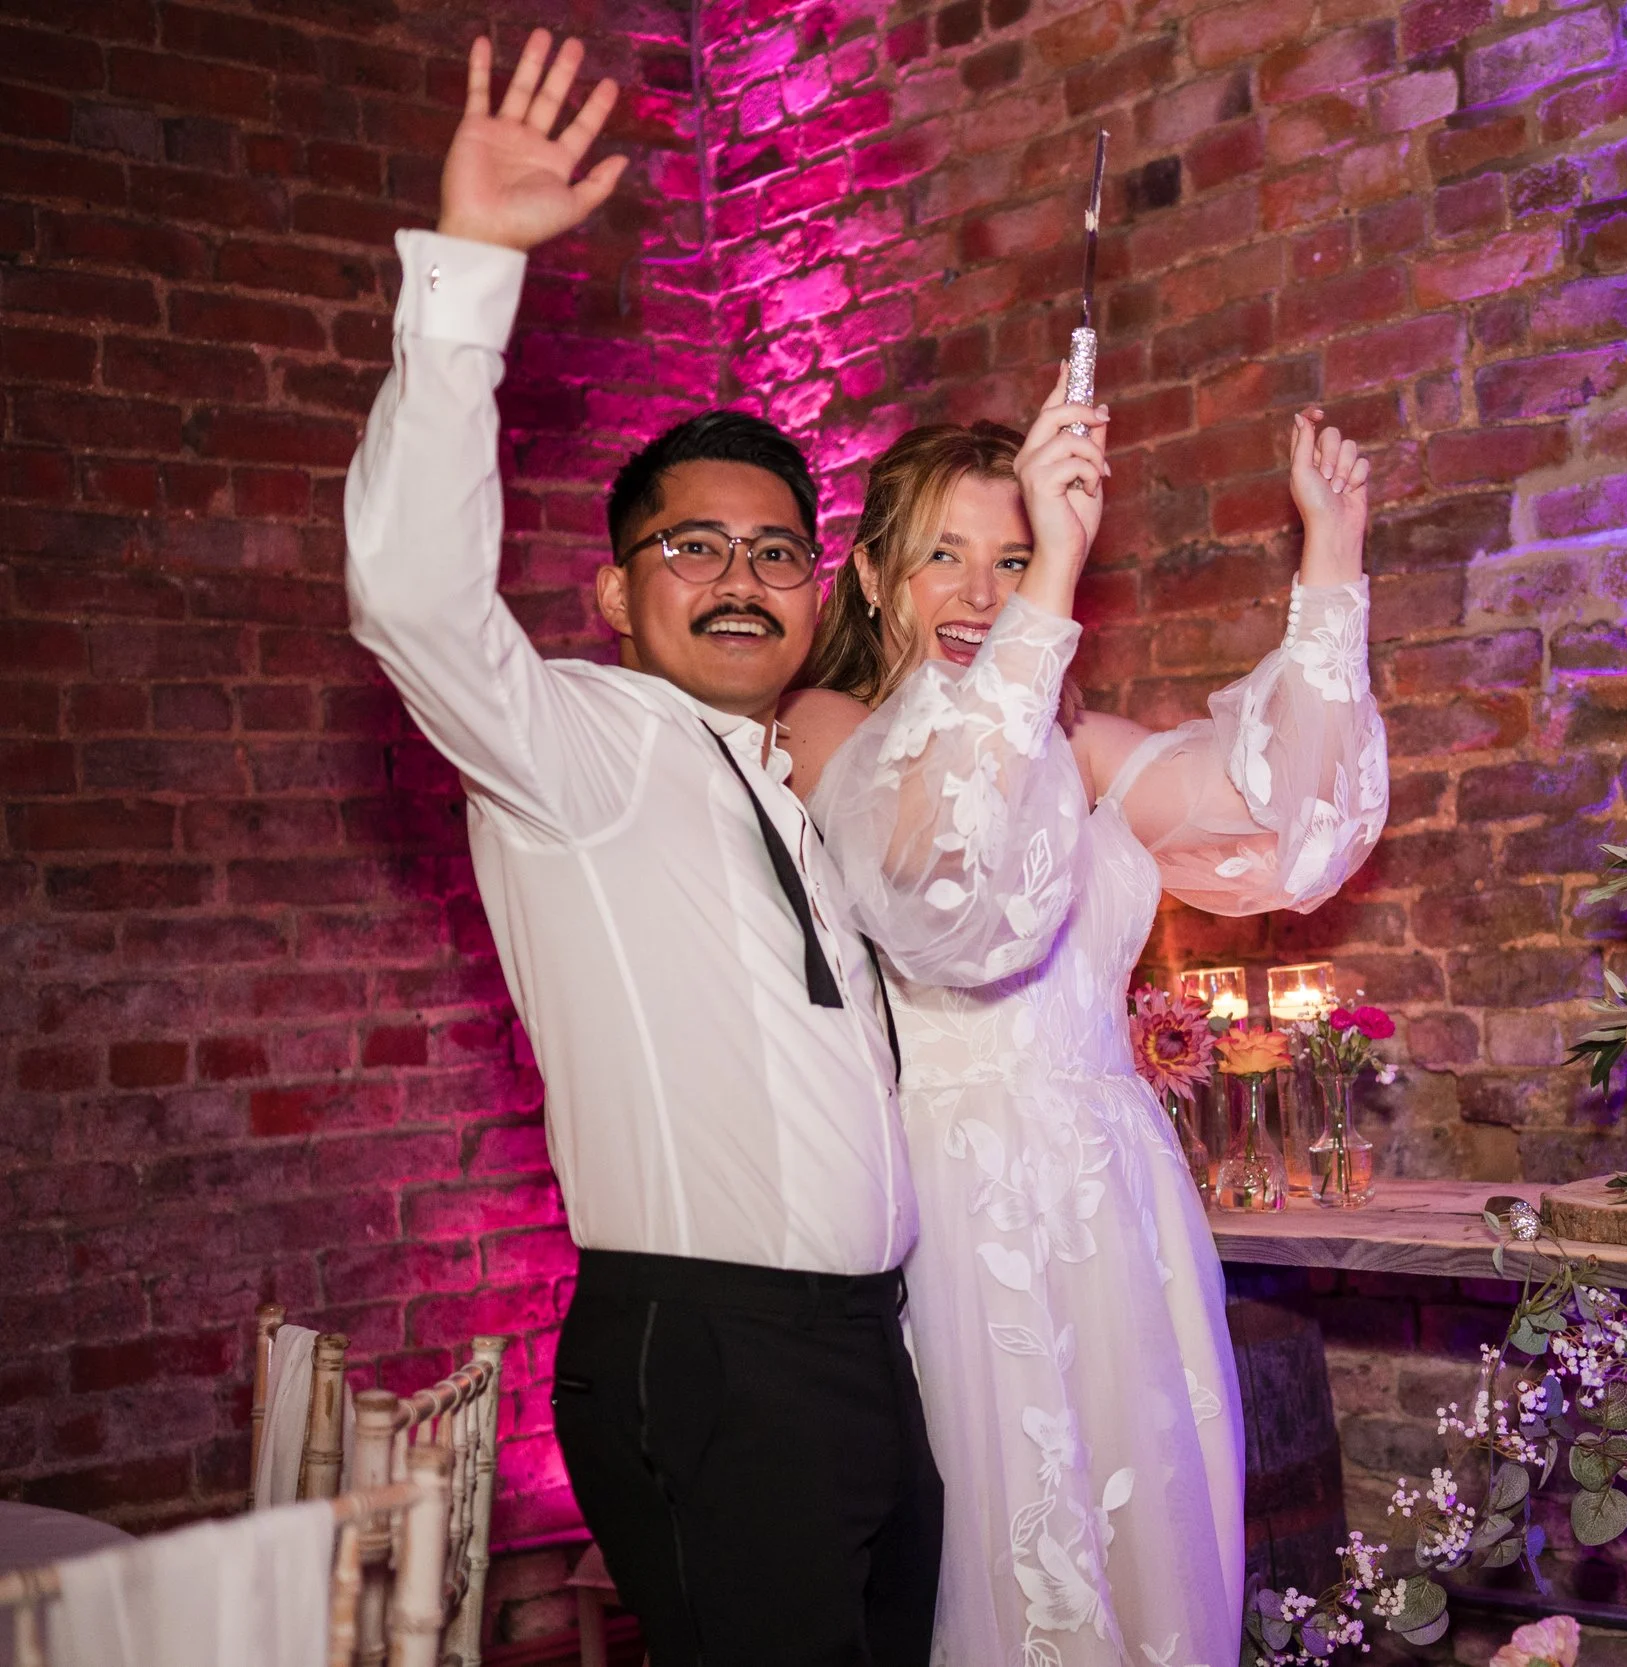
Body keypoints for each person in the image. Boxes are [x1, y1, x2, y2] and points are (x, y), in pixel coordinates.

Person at [342, 33, 1105, 1664]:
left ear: (821, 590)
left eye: (775, 549)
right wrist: (470, 270)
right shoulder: (577, 751)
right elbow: (411, 597)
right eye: (693, 547)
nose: (743, 577)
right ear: (614, 592)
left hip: (864, 1350)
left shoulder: (807, 773)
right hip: (710, 1345)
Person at [778, 405, 1389, 1665]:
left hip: (1120, 1206)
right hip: (961, 1214)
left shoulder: (1080, 747)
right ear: (872, 576)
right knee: (1008, 1567)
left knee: (1154, 1568)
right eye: (944, 555)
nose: (982, 592)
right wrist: (1046, 593)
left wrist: (1330, 561)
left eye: (1014, 557)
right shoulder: (823, 723)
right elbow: (936, 874)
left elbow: (1288, 827)